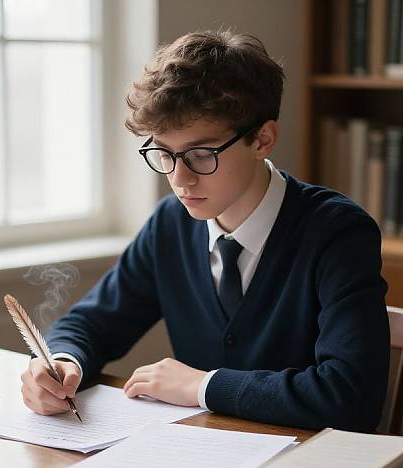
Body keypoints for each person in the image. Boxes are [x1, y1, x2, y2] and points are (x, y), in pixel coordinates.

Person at [20, 30, 390, 432]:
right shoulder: (170, 224)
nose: (180, 179)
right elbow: (91, 324)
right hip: (201, 466)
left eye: (201, 154)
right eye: (163, 152)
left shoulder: (338, 233)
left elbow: (349, 397)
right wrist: (61, 362)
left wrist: (203, 386)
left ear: (262, 139)